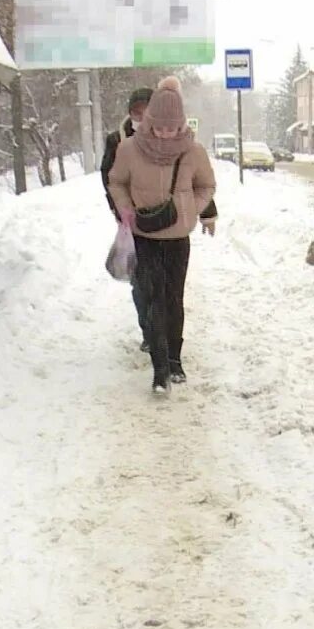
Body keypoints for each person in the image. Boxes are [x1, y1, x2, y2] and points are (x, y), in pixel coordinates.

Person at [108, 76, 216, 394]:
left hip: (178, 237)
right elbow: (116, 182)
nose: (166, 133)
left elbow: (206, 185)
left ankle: (175, 360)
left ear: (181, 124)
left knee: (174, 298)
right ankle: (159, 370)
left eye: (173, 128)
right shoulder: (129, 149)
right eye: (160, 127)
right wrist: (125, 208)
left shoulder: (193, 151)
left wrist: (191, 208)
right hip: (145, 235)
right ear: (150, 121)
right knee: (154, 298)